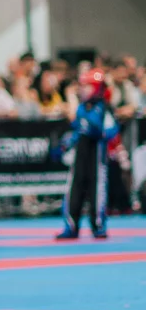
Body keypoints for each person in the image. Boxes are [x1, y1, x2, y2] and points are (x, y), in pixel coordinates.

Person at [57, 69, 120, 240]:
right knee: (74, 187)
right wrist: (67, 143)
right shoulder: (81, 108)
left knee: (97, 188)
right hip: (81, 154)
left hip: (96, 155)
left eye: (86, 87)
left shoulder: (103, 108)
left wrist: (97, 130)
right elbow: (77, 129)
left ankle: (98, 225)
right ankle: (71, 225)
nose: (82, 90)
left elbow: (112, 130)